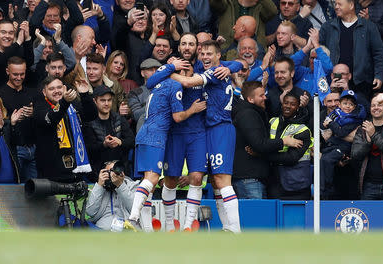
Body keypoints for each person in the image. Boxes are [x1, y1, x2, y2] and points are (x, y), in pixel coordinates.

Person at [168, 40, 241, 232]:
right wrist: (234, 66)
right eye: (203, 54)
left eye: (210, 54)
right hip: (209, 130)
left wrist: (167, 71)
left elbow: (186, 81)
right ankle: (228, 228)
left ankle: (236, 230)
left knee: (223, 180)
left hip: (221, 129)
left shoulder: (215, 72)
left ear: (219, 57)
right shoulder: (217, 68)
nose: (205, 57)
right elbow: (240, 63)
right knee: (216, 182)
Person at [123, 59, 204, 232]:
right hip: (156, 136)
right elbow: (177, 117)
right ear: (181, 72)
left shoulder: (158, 83)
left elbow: (151, 80)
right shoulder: (175, 87)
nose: (191, 78)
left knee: (148, 183)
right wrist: (192, 110)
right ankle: (133, 217)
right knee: (151, 179)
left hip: (143, 134)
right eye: (189, 73)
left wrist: (170, 67)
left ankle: (145, 229)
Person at [232, 81, 303, 199]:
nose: (265, 98)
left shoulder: (255, 113)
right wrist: (284, 141)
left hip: (253, 177)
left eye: (264, 94)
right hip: (249, 178)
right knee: (255, 217)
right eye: (261, 95)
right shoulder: (248, 114)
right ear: (250, 99)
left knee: (258, 216)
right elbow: (259, 144)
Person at [319, 0, 383, 101]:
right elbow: (319, 52)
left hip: (361, 82)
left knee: (361, 112)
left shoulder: (369, 27)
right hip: (334, 81)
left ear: (351, 5)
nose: (336, 7)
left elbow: (379, 53)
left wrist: (379, 75)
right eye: (335, 4)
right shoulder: (328, 27)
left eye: (340, 4)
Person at [34, 76, 97, 182]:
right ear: (44, 92)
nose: (56, 91)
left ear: (64, 88)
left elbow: (91, 115)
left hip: (76, 168)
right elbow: (52, 118)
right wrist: (64, 102)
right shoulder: (40, 107)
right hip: (52, 172)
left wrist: (85, 95)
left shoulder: (73, 104)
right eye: (51, 89)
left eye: (59, 87)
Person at [0, 57, 37, 182]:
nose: (19, 77)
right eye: (15, 74)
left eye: (22, 74)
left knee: (34, 189)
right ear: (7, 71)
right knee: (14, 188)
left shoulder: (32, 93)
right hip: (12, 149)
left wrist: (34, 113)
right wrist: (12, 120)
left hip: (33, 147)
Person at [208, 0, 278, 49]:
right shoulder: (227, 4)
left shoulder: (260, 8)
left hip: (255, 53)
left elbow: (273, 11)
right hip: (227, 53)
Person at [320, 90, 366, 199]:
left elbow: (340, 132)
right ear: (339, 105)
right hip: (332, 146)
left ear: (355, 107)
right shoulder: (336, 115)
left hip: (345, 149)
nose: (348, 106)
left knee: (327, 160)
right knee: (322, 160)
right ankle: (322, 190)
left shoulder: (354, 119)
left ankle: (327, 188)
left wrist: (331, 125)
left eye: (351, 104)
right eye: (345, 103)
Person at [83, 85, 135, 181]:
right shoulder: (89, 123)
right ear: (95, 101)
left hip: (120, 172)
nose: (106, 103)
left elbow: (132, 141)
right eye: (103, 100)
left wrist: (120, 142)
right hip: (97, 174)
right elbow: (88, 148)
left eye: (109, 100)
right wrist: (104, 144)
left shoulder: (119, 119)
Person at [267, 92, 313, 200]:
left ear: (298, 108)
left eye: (292, 104)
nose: (288, 106)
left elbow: (291, 158)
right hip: (273, 181)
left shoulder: (303, 130)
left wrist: (263, 155)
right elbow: (264, 144)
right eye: (286, 103)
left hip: (296, 185)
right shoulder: (272, 121)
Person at [351, 96, 383, 200]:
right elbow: (355, 155)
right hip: (368, 186)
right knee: (367, 216)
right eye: (373, 105)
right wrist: (367, 142)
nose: (376, 107)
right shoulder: (363, 128)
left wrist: (373, 135)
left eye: (380, 105)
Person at [85, 160, 139, 231]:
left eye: (115, 171)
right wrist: (99, 185)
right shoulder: (101, 187)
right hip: (101, 232)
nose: (113, 175)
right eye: (109, 172)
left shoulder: (133, 186)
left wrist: (120, 186)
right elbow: (90, 212)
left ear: (122, 173)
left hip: (126, 232)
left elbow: (135, 210)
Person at [128, 58, 162, 132]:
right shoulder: (135, 92)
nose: (154, 72)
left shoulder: (167, 89)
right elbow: (136, 115)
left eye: (157, 70)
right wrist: (154, 102)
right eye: (150, 70)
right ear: (142, 73)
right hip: (145, 133)